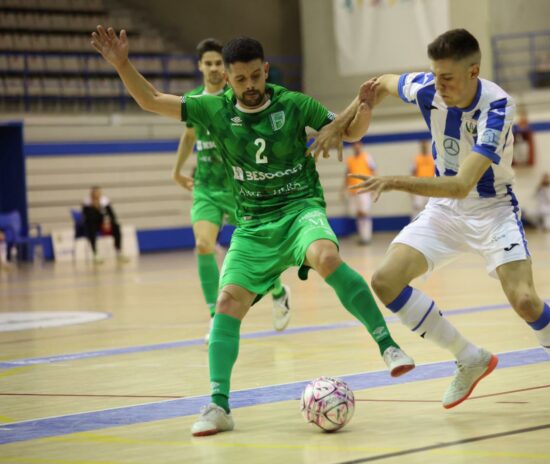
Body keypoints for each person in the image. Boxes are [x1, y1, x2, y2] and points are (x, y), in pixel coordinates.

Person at [90, 26, 415, 436]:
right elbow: (151, 99)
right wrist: (121, 63)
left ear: (266, 70)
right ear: (227, 78)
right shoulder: (214, 109)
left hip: (299, 211)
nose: (249, 86)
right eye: (240, 79)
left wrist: (363, 108)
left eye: (256, 77)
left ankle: (387, 345)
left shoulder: (294, 104)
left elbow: (348, 130)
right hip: (253, 225)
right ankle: (219, 406)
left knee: (328, 257)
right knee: (227, 304)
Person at [332, 29, 550, 413]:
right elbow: (378, 85)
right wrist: (340, 122)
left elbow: (461, 185)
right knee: (385, 281)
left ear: (474, 71)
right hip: (445, 214)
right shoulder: (427, 87)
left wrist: (392, 181)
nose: (438, 84)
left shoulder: (497, 107)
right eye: (435, 74)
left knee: (524, 300)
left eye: (448, 78)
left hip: (491, 208)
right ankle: (469, 356)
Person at [172, 38, 291, 339]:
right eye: (207, 63)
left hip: (240, 187)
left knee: (260, 253)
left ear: (224, 70)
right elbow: (189, 136)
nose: (212, 68)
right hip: (206, 187)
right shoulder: (194, 101)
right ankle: (215, 317)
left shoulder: (237, 98)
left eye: (216, 63)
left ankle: (278, 290)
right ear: (200, 66)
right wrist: (176, 171)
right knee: (203, 244)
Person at [82, 186, 128, 263]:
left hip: (104, 224)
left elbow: (112, 215)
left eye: (98, 193)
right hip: (93, 224)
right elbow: (88, 217)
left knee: (116, 226)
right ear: (92, 194)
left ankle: (118, 252)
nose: (97, 195)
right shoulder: (87, 203)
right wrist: (95, 207)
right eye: (95, 193)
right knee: (91, 228)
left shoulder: (105, 202)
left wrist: (107, 222)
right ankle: (95, 253)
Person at [345, 142, 376, 244]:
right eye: (354, 145)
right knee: (358, 214)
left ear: (361, 145)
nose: (356, 146)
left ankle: (367, 237)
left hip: (364, 190)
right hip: (354, 191)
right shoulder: (350, 160)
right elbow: (347, 175)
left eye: (358, 144)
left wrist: (374, 187)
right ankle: (362, 237)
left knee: (364, 213)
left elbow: (374, 172)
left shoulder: (367, 157)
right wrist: (345, 189)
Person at [410, 139, 435, 218]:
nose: (424, 147)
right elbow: (412, 174)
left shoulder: (432, 158)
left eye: (425, 145)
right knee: (417, 207)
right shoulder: (417, 159)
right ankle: (414, 227)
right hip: (419, 188)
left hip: (431, 187)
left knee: (431, 208)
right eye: (423, 145)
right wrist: (411, 191)